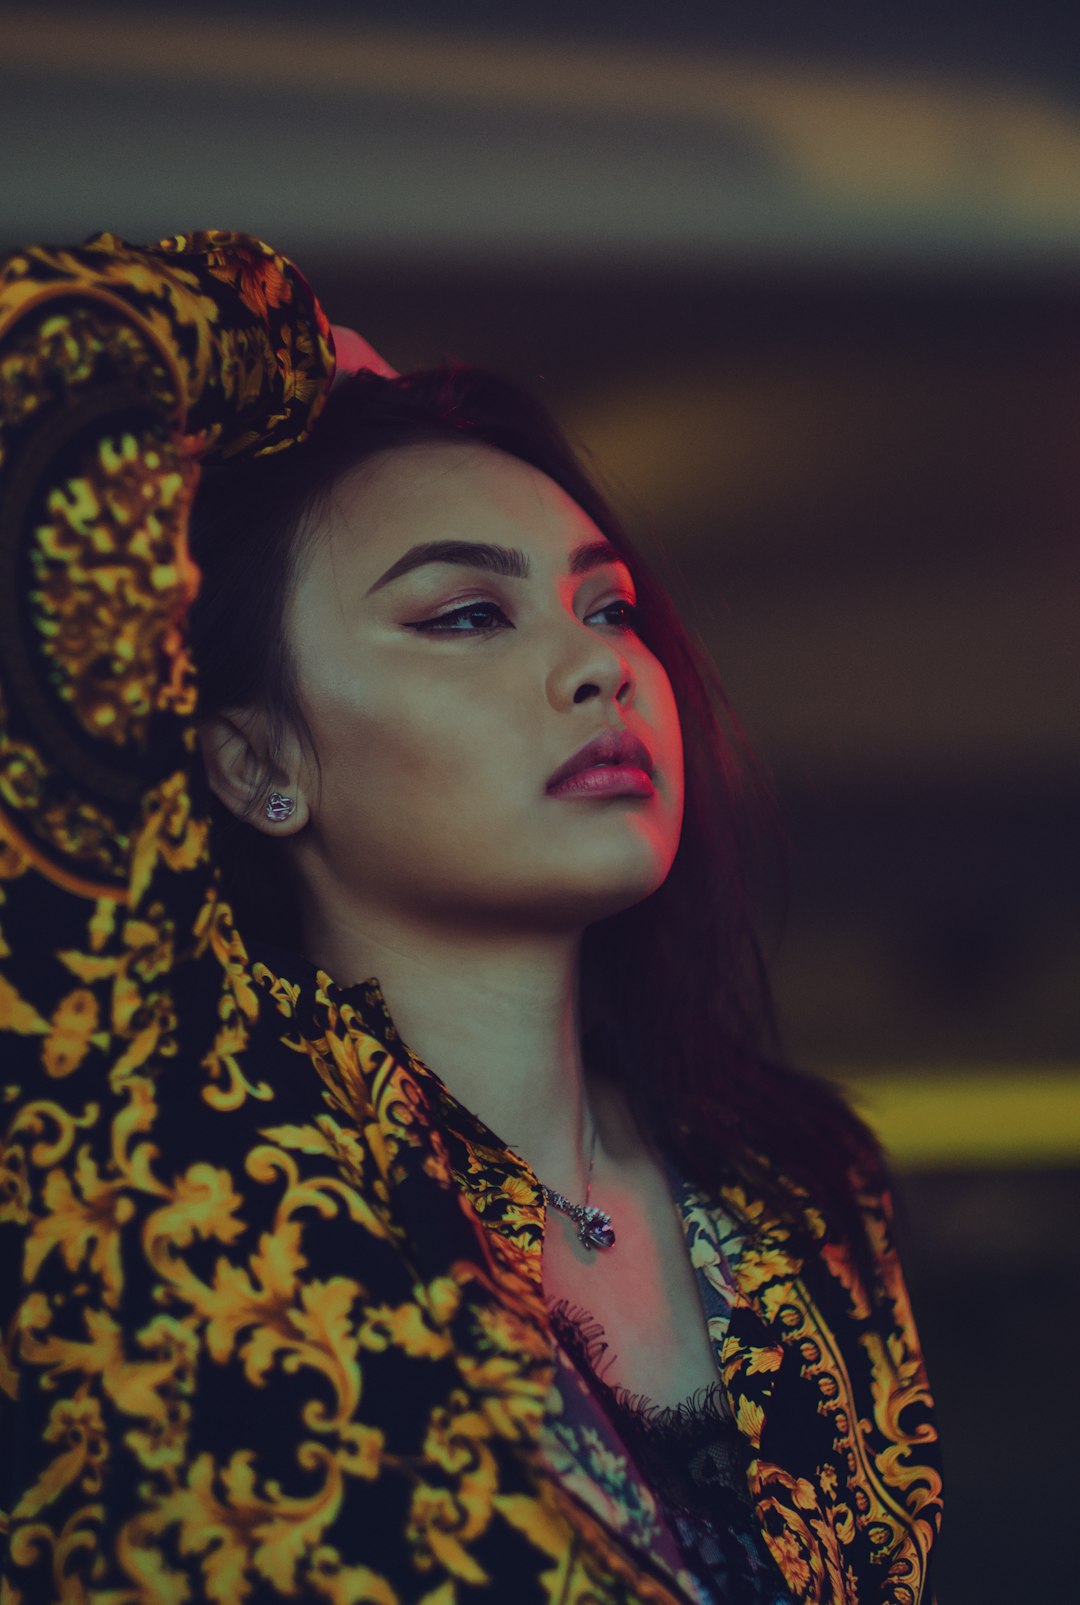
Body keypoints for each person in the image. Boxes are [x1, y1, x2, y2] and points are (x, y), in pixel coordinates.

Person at [0, 230, 943, 1605]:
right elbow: (50, 361)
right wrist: (303, 357)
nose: (595, 666)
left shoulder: (805, 1190)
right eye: (462, 616)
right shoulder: (147, 1103)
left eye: (606, 605)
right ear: (257, 762)